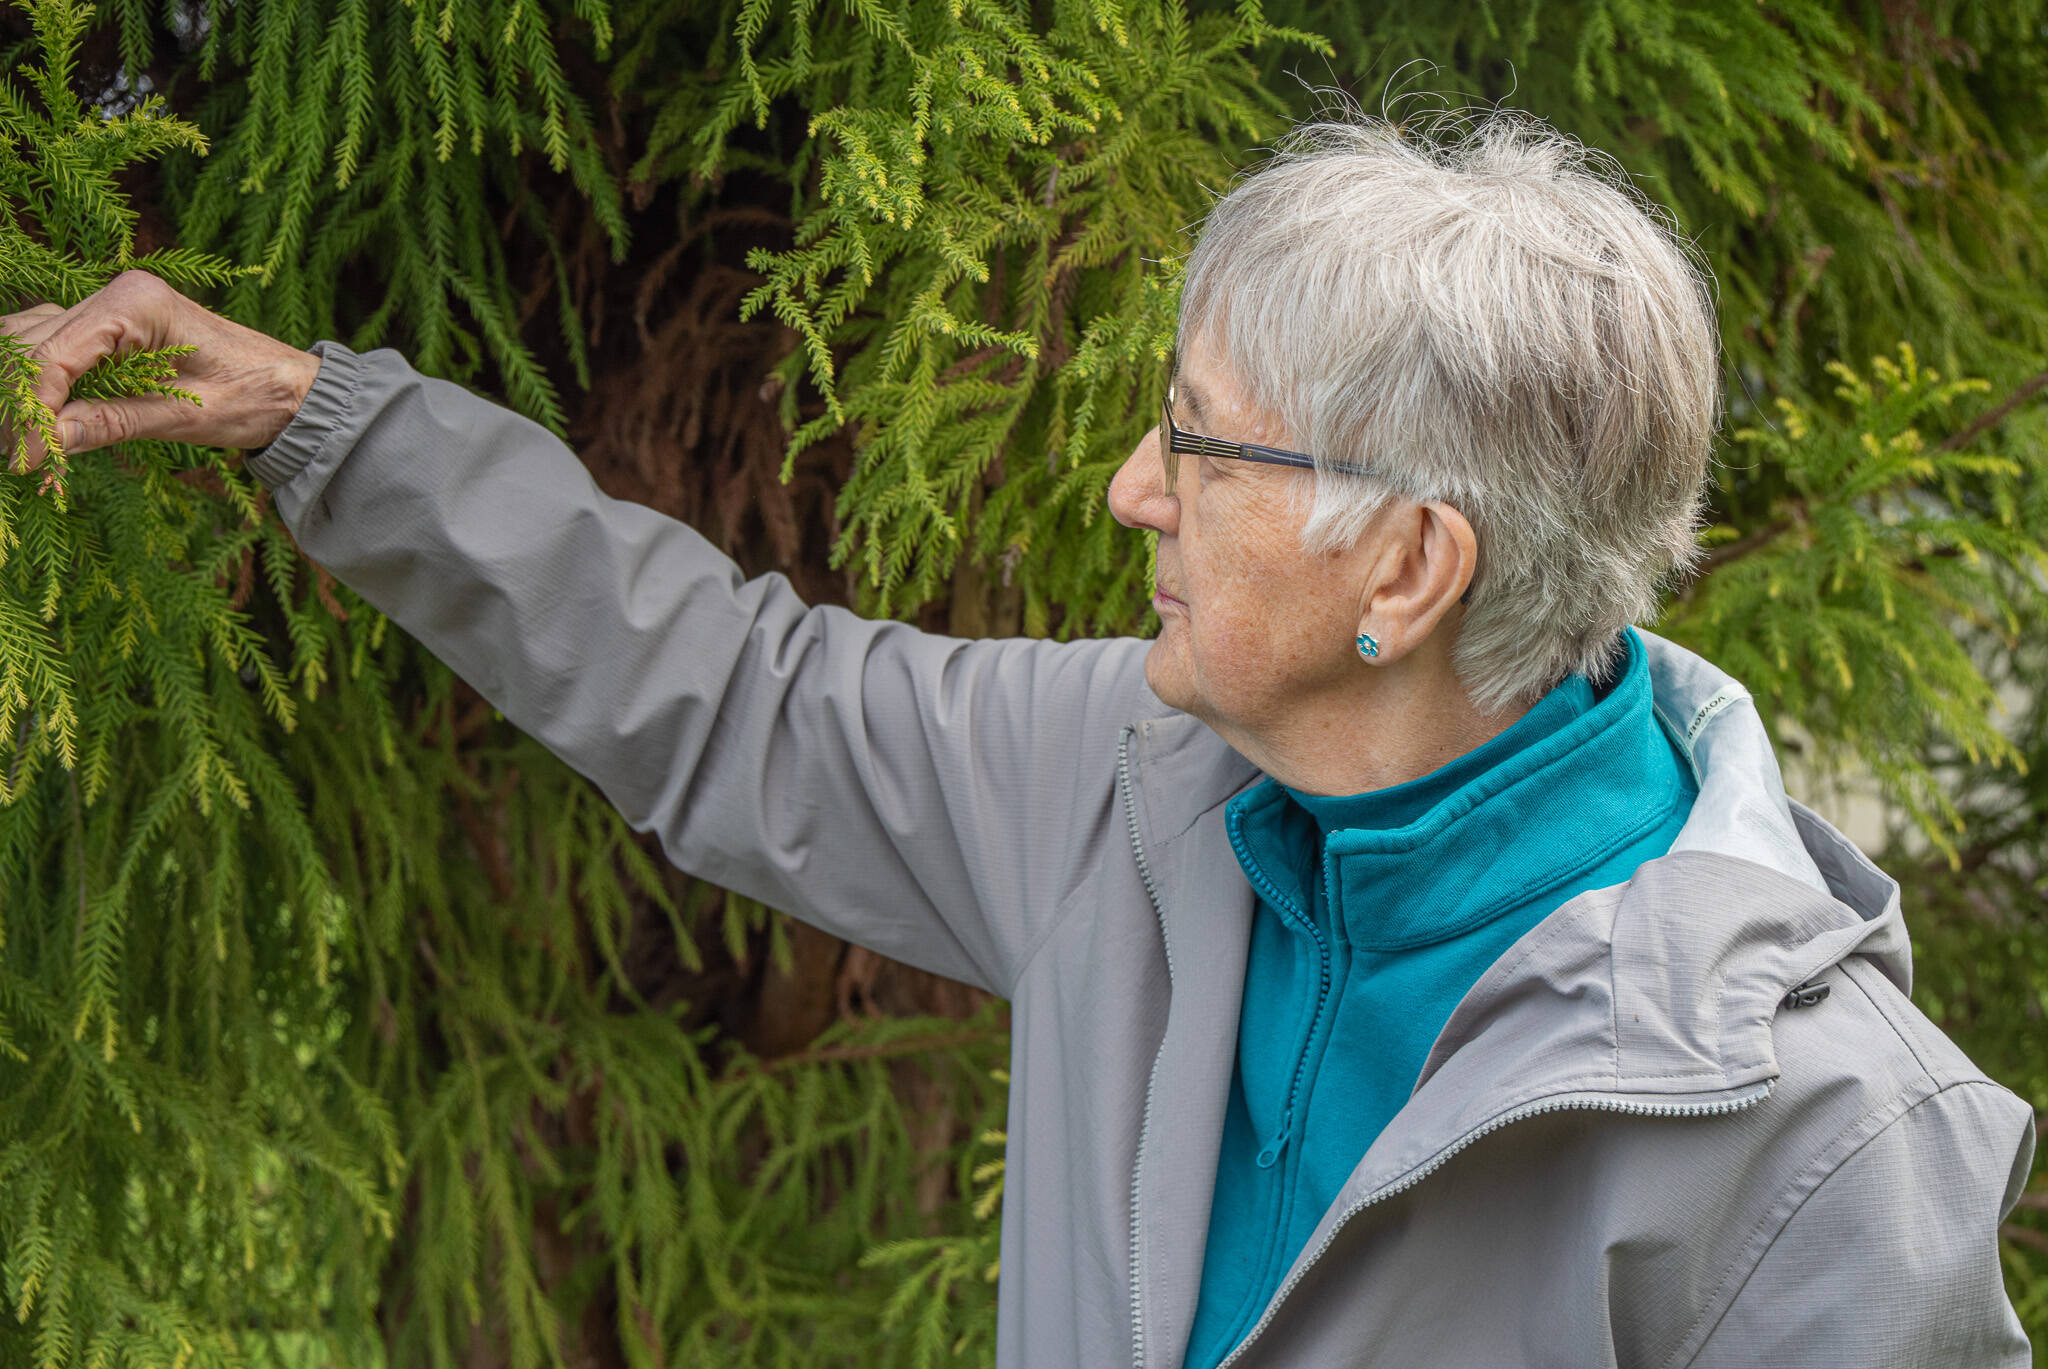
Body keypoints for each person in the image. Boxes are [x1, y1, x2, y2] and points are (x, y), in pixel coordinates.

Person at [5, 109, 2036, 1369]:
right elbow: (737, 692)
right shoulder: (1131, 792)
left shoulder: (1825, 1147)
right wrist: (318, 421)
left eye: (1202, 435)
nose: (1130, 485)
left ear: (1404, 567)